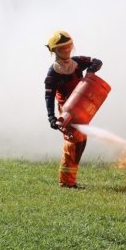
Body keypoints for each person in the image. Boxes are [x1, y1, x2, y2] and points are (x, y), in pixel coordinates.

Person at [44, 30, 102, 189]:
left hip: (81, 109)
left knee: (81, 143)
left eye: (69, 46)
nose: (68, 50)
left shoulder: (77, 62)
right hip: (67, 111)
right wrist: (51, 117)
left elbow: (97, 61)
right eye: (63, 48)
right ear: (55, 51)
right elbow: (48, 96)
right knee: (72, 145)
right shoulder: (53, 73)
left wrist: (91, 70)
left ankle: (70, 179)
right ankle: (66, 182)